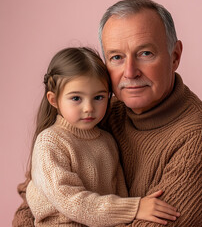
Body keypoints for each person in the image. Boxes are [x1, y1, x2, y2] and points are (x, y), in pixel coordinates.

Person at [13, 0, 202, 226]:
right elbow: (33, 198)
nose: (130, 72)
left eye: (145, 53)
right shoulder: (100, 114)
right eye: (116, 57)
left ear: (175, 56)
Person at [19, 47, 180, 226]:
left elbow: (119, 192)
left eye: (98, 98)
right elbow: (73, 202)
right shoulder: (50, 142)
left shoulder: (107, 141)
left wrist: (130, 213)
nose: (89, 108)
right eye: (76, 98)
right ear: (54, 100)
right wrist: (134, 207)